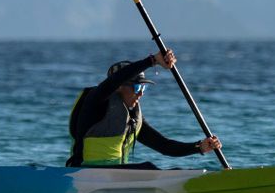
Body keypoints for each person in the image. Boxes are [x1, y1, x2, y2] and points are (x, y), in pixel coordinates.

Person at [66, 47, 222, 168]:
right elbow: (113, 81)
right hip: (83, 173)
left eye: (143, 89)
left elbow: (164, 146)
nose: (140, 94)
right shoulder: (95, 102)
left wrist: (199, 147)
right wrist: (152, 60)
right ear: (119, 87)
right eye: (136, 88)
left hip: (111, 178)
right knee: (148, 167)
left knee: (160, 169)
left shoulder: (131, 118)